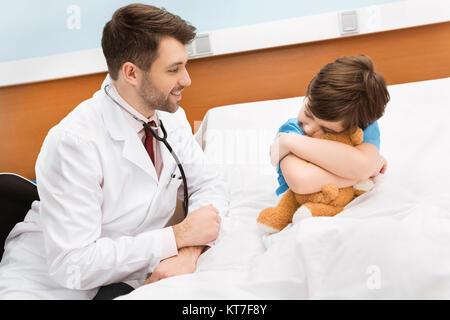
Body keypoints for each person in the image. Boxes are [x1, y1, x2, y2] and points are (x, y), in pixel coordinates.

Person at [0, 4, 228, 300]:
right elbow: (73, 265)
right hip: (47, 286)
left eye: (185, 65)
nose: (186, 79)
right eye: (174, 69)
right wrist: (178, 236)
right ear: (131, 73)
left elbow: (210, 186)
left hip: (124, 277)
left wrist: (188, 252)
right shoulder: (72, 142)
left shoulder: (170, 118)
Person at [270, 54, 389, 197]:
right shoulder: (291, 130)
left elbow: (363, 166)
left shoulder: (363, 124)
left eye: (326, 130)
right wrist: (362, 172)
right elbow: (302, 181)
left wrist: (290, 142)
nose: (309, 128)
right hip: (298, 207)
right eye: (308, 113)